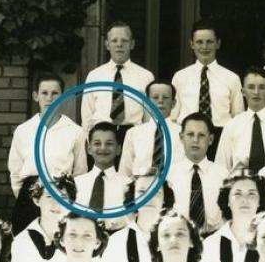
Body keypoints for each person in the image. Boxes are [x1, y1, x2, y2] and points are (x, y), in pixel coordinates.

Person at [8, 73, 84, 233]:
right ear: (36, 96)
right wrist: (30, 197)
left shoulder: (75, 132)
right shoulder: (23, 130)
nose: (49, 98)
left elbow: (80, 171)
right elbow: (15, 172)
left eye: (55, 93)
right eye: (44, 93)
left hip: (60, 195)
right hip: (29, 197)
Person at [172, 20, 243, 159]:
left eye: (209, 42)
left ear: (218, 44)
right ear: (191, 44)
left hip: (220, 138)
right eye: (199, 42)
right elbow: (173, 117)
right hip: (189, 139)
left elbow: (238, 118)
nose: (204, 47)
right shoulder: (180, 77)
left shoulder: (232, 78)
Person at [80, 21, 155, 143]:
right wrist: (89, 142)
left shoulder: (145, 76)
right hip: (102, 137)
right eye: (114, 41)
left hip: (134, 136)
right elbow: (87, 116)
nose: (119, 45)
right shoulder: (94, 76)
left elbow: (149, 117)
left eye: (124, 41)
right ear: (107, 44)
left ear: (132, 44)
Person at [165, 113, 226, 235]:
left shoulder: (223, 175)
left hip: (214, 237)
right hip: (179, 237)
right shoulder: (169, 175)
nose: (195, 140)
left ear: (211, 139)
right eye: (190, 134)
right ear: (181, 137)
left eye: (202, 135)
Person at [214, 67, 265, 174]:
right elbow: (221, 166)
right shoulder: (232, 126)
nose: (256, 92)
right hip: (240, 184)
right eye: (251, 87)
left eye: (262, 87)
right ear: (243, 92)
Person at [118, 80, 184, 181]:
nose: (160, 101)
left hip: (173, 189)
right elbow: (125, 172)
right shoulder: (133, 133)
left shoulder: (183, 133)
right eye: (155, 97)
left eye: (165, 97)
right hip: (141, 190)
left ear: (173, 103)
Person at [74, 123, 129, 230]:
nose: (103, 148)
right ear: (89, 149)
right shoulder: (76, 184)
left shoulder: (128, 185)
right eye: (97, 143)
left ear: (118, 149)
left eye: (109, 143)